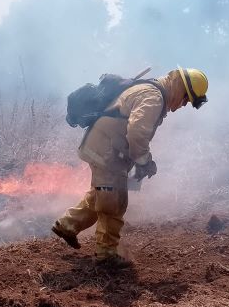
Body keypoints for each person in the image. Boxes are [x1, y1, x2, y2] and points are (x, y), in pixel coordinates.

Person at [51, 66, 208, 266]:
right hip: (106, 152)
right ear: (180, 87)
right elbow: (137, 132)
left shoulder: (151, 90)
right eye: (186, 99)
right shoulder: (153, 98)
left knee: (102, 194)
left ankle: (67, 225)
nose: (183, 105)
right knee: (114, 201)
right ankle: (106, 253)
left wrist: (142, 160)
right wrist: (144, 161)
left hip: (102, 147)